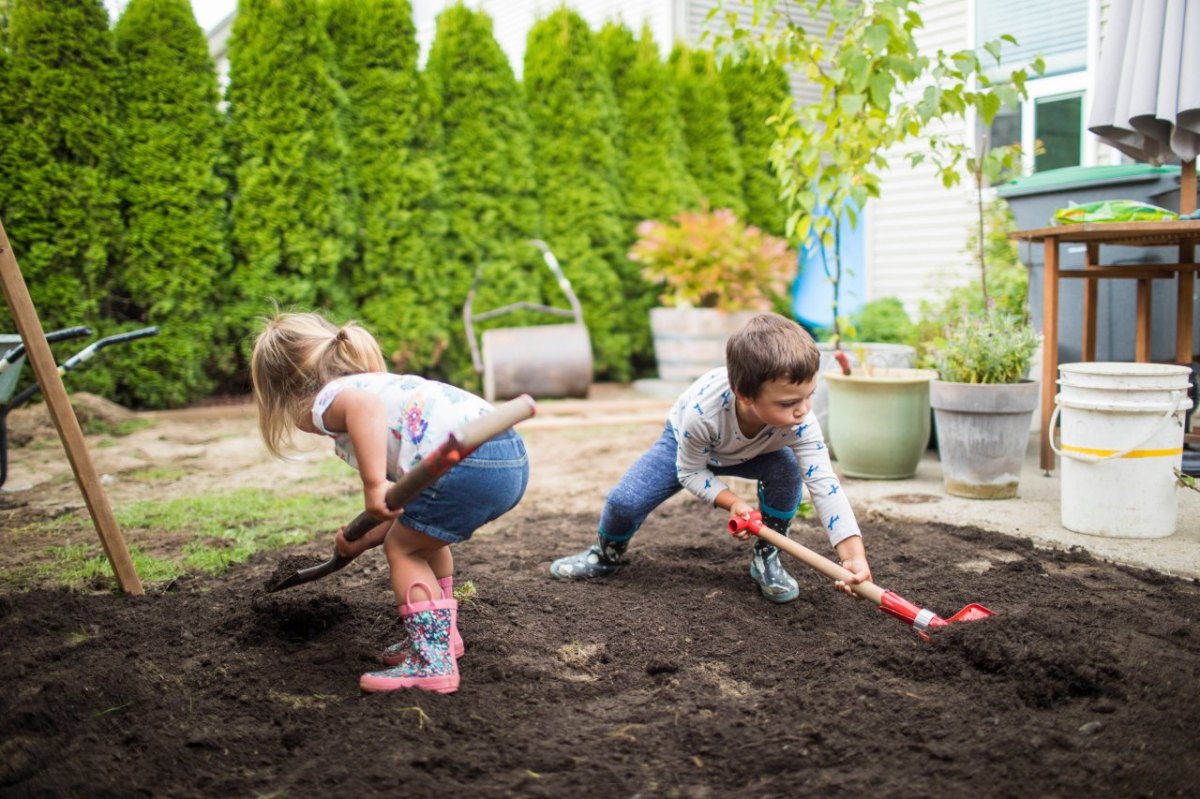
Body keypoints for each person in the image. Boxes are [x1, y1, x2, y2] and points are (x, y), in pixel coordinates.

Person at [251, 311, 529, 694]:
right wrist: (363, 538)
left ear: (290, 392)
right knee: (425, 537)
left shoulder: (331, 397)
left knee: (405, 550)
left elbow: (362, 409)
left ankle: (432, 662)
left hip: (465, 462)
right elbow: (409, 504)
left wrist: (373, 484)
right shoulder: (382, 387)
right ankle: (441, 640)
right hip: (505, 454)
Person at [550, 312, 870, 602]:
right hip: (685, 448)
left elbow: (825, 484)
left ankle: (767, 555)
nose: (803, 410)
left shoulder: (801, 422)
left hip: (757, 451)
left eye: (809, 396)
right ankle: (605, 555)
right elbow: (689, 472)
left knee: (786, 468)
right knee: (624, 501)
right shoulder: (703, 414)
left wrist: (852, 555)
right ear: (744, 395)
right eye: (788, 403)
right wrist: (732, 501)